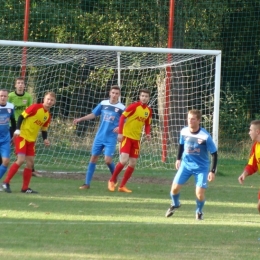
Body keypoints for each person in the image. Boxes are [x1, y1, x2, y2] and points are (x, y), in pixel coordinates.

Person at [165, 109, 218, 220]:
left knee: (199, 194)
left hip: (201, 168)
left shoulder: (205, 136)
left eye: (193, 119)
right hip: (186, 165)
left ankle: (199, 211)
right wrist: (178, 159)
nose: (190, 121)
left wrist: (212, 171)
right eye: (189, 118)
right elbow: (181, 144)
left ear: (198, 120)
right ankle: (175, 204)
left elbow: (214, 153)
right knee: (174, 189)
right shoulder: (184, 131)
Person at [2, 91, 56, 193]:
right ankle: (5, 182)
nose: (49, 101)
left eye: (51, 100)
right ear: (44, 99)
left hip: (31, 140)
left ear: (54, 103)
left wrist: (45, 139)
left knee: (30, 164)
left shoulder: (48, 115)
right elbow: (21, 116)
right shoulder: (35, 107)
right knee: (21, 159)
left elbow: (44, 129)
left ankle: (25, 188)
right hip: (22, 136)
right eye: (48, 99)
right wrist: (17, 129)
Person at [73, 85, 125, 189]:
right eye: (113, 92)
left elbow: (126, 121)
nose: (114, 95)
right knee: (93, 158)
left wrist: (120, 128)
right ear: (109, 93)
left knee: (108, 160)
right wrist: (80, 119)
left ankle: (114, 178)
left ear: (119, 95)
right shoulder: (103, 104)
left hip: (111, 137)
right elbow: (93, 114)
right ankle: (86, 184)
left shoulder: (122, 108)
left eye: (116, 93)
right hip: (100, 136)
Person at [108, 88, 152, 193]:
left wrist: (148, 134)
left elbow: (147, 124)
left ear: (148, 98)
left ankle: (122, 186)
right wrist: (120, 133)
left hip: (136, 140)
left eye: (146, 96)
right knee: (123, 160)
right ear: (139, 97)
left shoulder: (148, 111)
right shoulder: (134, 106)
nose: (144, 98)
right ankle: (112, 180)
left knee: (132, 163)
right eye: (142, 96)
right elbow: (122, 117)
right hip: (127, 137)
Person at [8, 77, 42, 177]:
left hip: (24, 126)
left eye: (22, 83)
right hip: (12, 125)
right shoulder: (10, 96)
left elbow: (31, 110)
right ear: (15, 85)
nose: (20, 85)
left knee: (28, 147)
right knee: (8, 144)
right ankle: (4, 165)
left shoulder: (28, 96)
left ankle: (32, 170)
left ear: (24, 85)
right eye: (18, 83)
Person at [238, 120, 260, 213]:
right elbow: (252, 164)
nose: (249, 132)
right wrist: (244, 174)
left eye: (251, 130)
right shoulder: (255, 146)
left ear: (257, 131)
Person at [0, 89, 16, 189]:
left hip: (5, 139)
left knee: (6, 161)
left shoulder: (10, 107)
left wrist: (13, 134)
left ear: (7, 97)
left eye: (5, 96)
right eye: (1, 95)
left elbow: (13, 122)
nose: (3, 97)